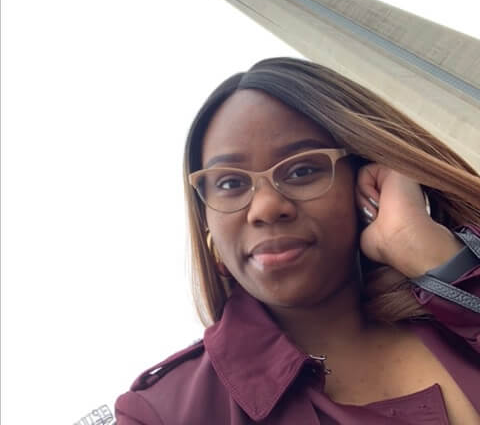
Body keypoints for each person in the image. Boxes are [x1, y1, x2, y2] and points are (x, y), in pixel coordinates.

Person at [115, 57, 480, 424]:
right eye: (230, 183)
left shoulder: (454, 310)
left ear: (364, 181)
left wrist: (435, 257)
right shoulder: (162, 414)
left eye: (303, 170)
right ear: (207, 226)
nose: (267, 207)